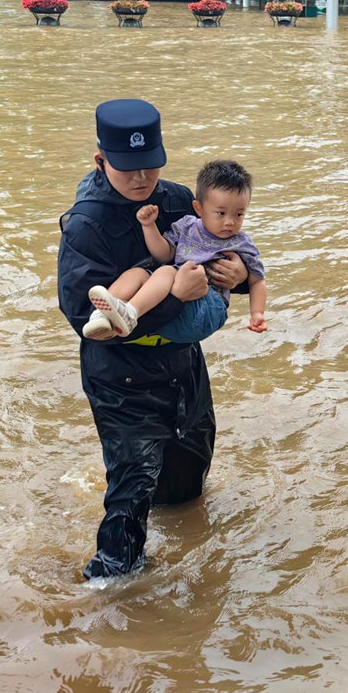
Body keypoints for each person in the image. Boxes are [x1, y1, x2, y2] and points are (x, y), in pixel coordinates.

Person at [57, 99, 248, 579]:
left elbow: (225, 246)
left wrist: (241, 275)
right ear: (101, 161)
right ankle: (108, 588)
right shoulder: (86, 224)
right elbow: (82, 314)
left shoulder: (181, 199)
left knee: (189, 470)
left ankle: (183, 567)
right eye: (127, 169)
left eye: (150, 165)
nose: (141, 178)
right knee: (133, 484)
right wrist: (172, 298)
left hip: (183, 362)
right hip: (120, 371)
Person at [82, 160, 267, 344]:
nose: (230, 222)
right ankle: (101, 316)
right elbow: (163, 254)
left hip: (208, 309)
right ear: (198, 209)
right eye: (221, 213)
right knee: (138, 273)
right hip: (174, 307)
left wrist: (257, 313)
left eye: (239, 214)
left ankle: (131, 312)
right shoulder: (186, 225)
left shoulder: (241, 242)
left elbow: (257, 280)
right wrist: (149, 226)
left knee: (167, 271)